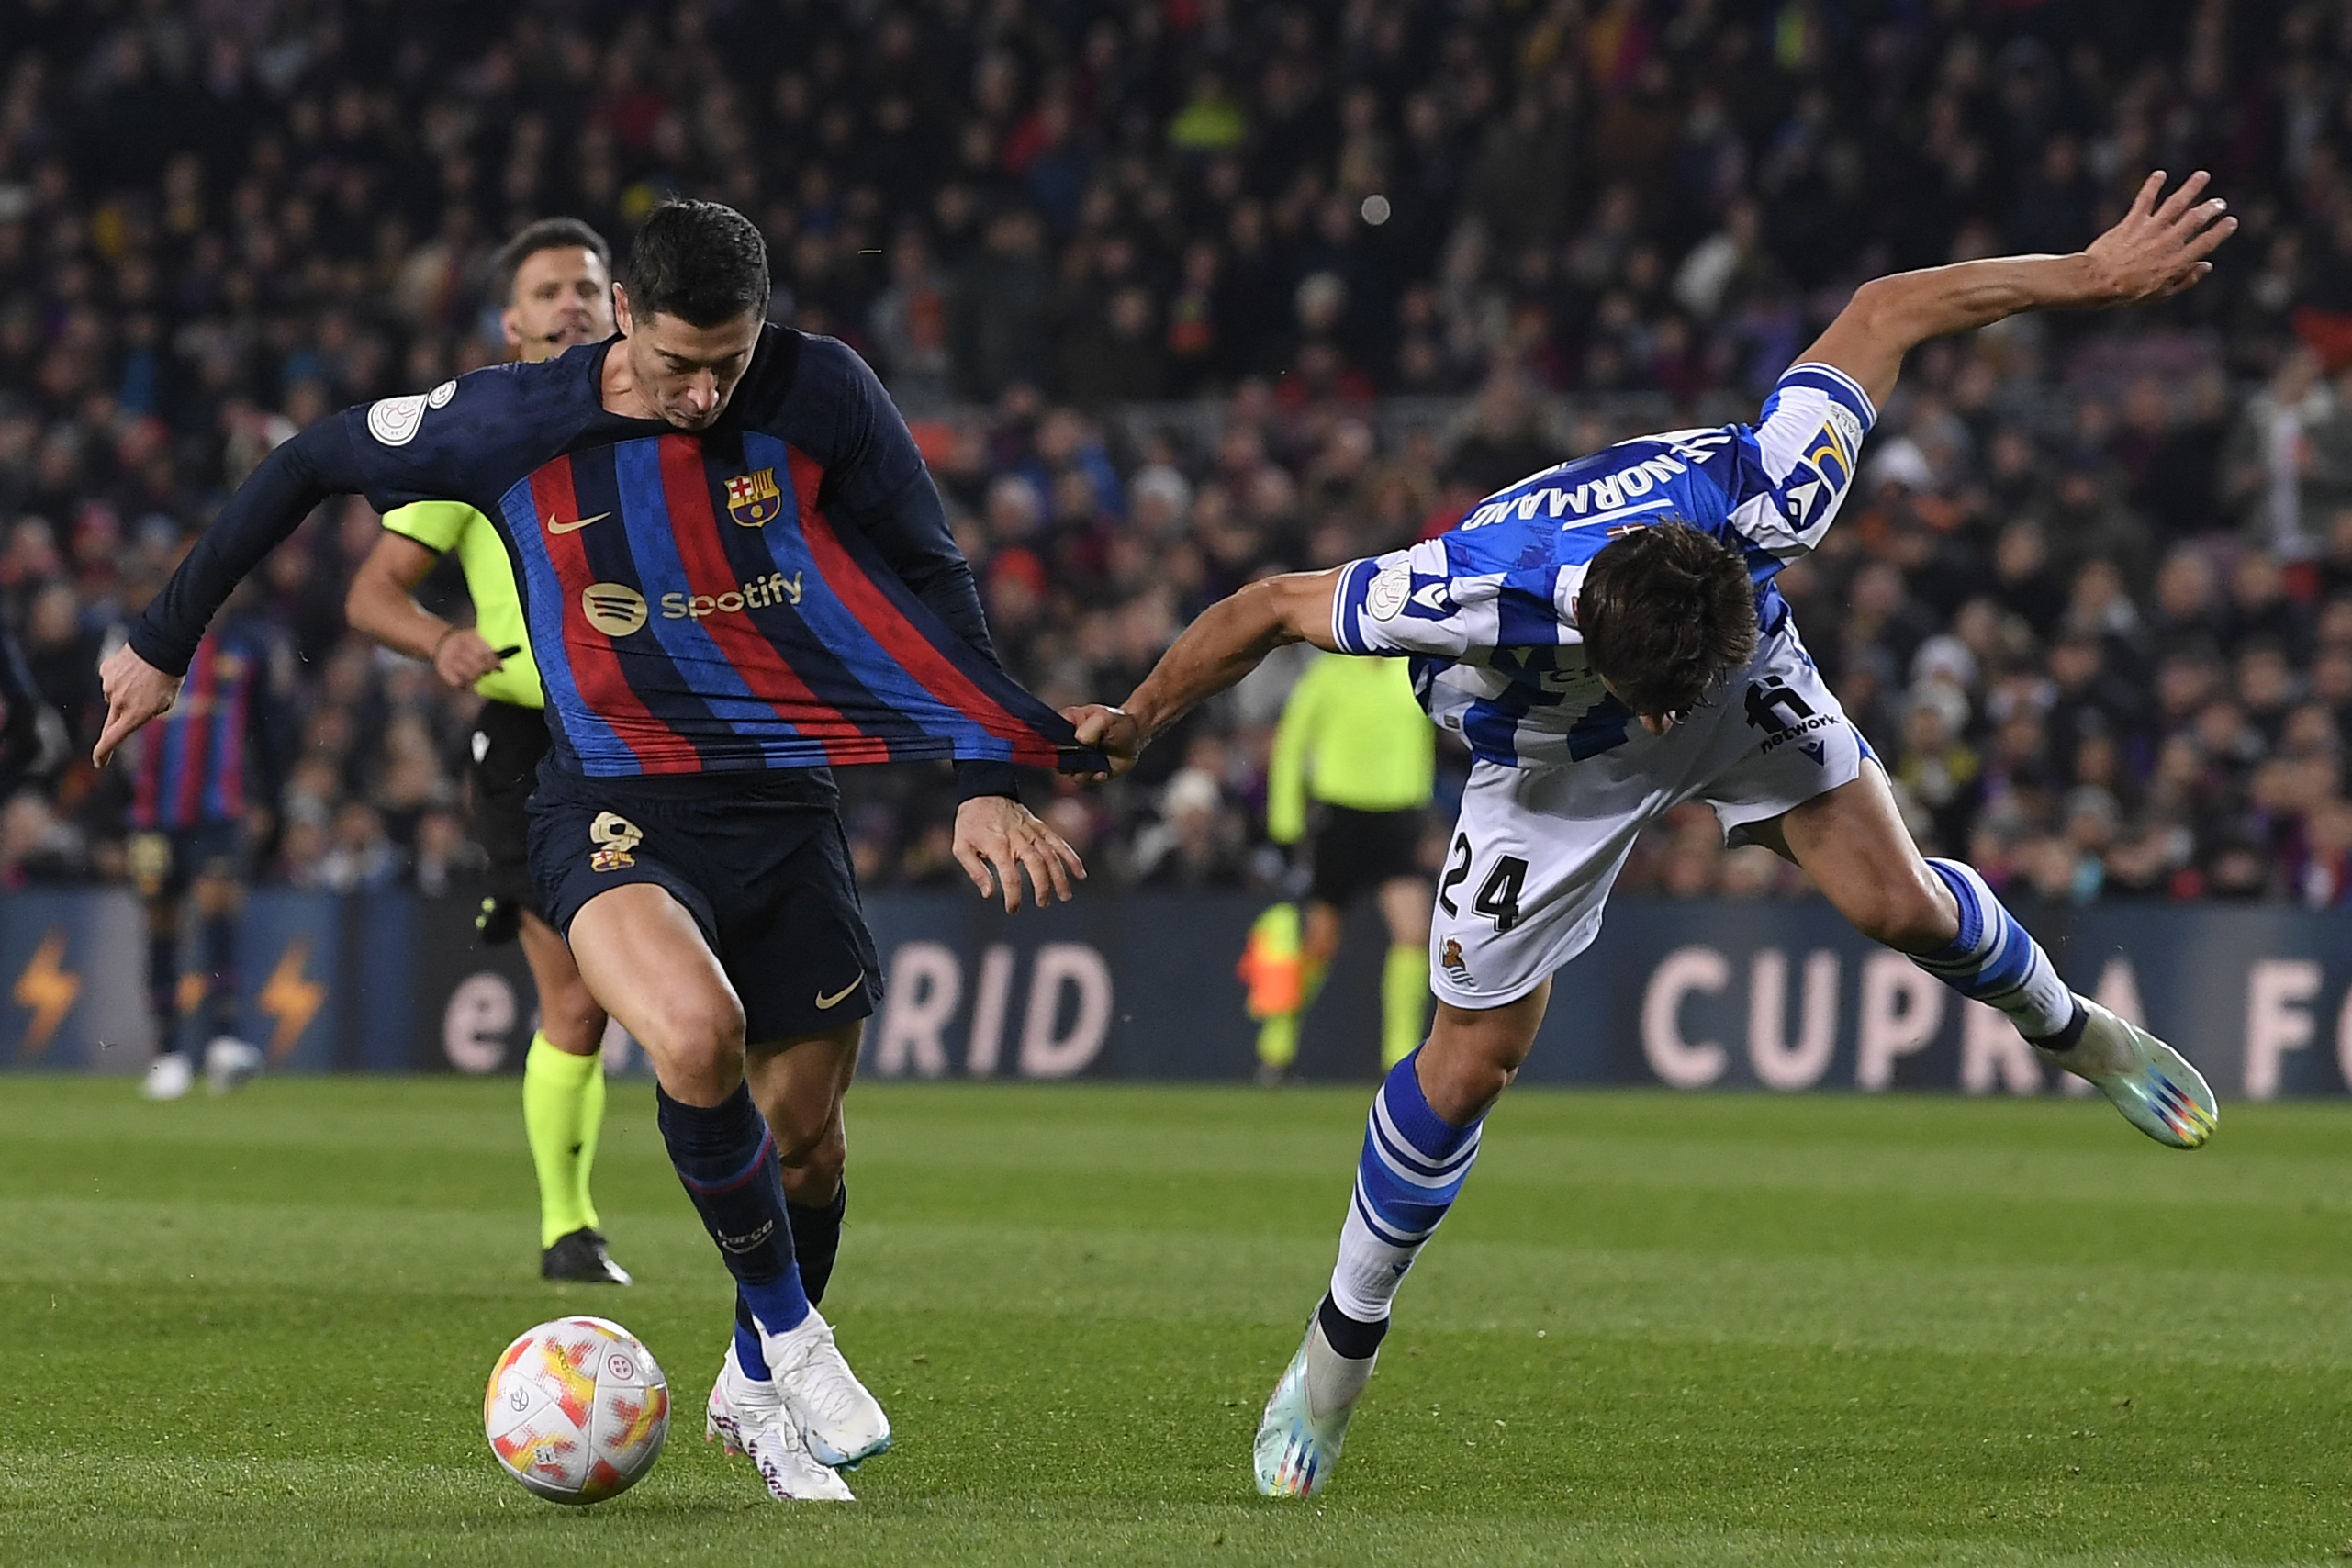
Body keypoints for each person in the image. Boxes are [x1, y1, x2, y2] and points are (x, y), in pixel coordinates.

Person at [1069, 171, 2235, 1499]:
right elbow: (1272, 603)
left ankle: (2077, 1034)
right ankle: (1334, 1360)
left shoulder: (1766, 497)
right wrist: (1144, 717)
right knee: (1467, 1065)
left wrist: (2082, 276)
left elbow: (1884, 309)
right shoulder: (1474, 593)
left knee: (1896, 904)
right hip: (1550, 762)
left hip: (1742, 680)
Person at [93, 201, 1095, 1503]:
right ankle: (795, 1335)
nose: (700, 396)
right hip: (611, 798)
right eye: (678, 366)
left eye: (724, 366)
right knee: (690, 1036)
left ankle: (748, 1384)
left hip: (784, 800)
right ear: (623, 314)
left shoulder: (824, 391)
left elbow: (931, 571)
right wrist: (166, 642)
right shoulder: (508, 418)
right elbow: (306, 461)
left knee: (810, 1142)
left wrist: (985, 778)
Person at [343, 218, 632, 1286]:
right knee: (578, 998)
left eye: (587, 289)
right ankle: (570, 1226)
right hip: (530, 738)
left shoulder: (658, 431)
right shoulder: (469, 447)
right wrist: (441, 640)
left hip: (655, 725)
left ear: (621, 310)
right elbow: (371, 593)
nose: (571, 305)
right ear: (511, 323)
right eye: (549, 291)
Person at [121, 583, 288, 1101]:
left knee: (218, 909)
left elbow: (268, 729)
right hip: (153, 814)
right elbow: (110, 724)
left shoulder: (245, 648)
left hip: (219, 810)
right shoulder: (140, 644)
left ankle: (223, 1042)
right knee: (161, 920)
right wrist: (114, 817)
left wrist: (269, 802)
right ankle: (168, 1051)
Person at [1244, 653, 1435, 1081]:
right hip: (1342, 818)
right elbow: (1292, 746)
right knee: (1320, 943)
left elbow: (1425, 738)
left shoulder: (1412, 670)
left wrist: (1422, 805)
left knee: (1413, 934)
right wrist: (1286, 825)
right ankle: (1278, 1044)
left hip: (1398, 818)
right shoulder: (1326, 676)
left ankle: (1399, 1058)